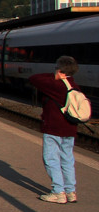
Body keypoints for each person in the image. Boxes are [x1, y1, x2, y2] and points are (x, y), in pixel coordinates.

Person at [29, 56, 81, 204]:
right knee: (67, 160)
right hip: (70, 130)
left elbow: (34, 78)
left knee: (51, 159)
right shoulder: (75, 85)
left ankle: (58, 192)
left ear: (60, 69)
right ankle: (71, 191)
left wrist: (55, 74)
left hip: (54, 129)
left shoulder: (55, 85)